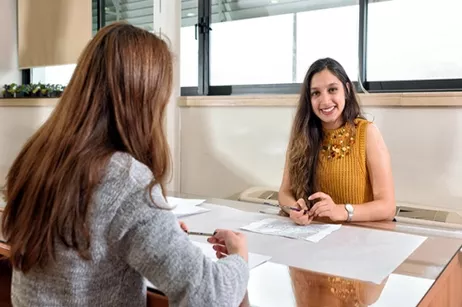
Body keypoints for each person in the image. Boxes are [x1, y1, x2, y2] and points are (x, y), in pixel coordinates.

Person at [1, 22, 249, 307]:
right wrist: (239, 257)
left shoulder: (38, 156)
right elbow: (209, 296)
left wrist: (156, 234)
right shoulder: (124, 179)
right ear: (143, 100)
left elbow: (85, 244)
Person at [278, 58, 395, 225]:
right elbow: (284, 193)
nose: (325, 101)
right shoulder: (301, 135)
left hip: (357, 240)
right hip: (311, 236)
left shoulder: (367, 133)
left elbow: (388, 207)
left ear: (346, 89)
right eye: (316, 93)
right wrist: (293, 209)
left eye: (332, 89)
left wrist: (342, 211)